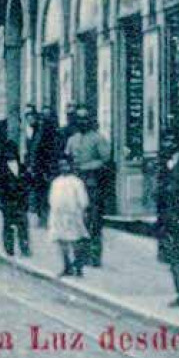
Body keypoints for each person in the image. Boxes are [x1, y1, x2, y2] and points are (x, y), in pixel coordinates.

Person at [65, 107, 112, 268]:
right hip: (75, 184)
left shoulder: (98, 139)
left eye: (85, 119)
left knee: (93, 220)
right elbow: (68, 158)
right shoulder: (72, 139)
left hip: (92, 183)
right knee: (77, 220)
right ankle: (80, 255)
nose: (82, 122)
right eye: (79, 119)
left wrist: (87, 167)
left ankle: (94, 255)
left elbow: (105, 160)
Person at [155, 131, 179, 304]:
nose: (168, 144)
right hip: (166, 216)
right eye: (165, 140)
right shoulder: (162, 163)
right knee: (172, 258)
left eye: (172, 140)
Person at [47, 157, 89, 277]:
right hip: (59, 215)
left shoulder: (76, 182)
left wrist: (81, 211)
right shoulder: (56, 182)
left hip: (73, 214)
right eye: (61, 165)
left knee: (75, 239)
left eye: (66, 165)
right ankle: (67, 266)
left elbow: (83, 200)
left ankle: (79, 267)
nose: (64, 168)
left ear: (70, 166)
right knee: (61, 241)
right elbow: (52, 199)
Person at [28, 107, 62, 229]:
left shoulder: (55, 134)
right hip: (39, 169)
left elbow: (53, 153)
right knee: (40, 194)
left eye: (47, 117)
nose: (44, 120)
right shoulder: (37, 132)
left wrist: (48, 169)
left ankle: (48, 219)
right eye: (42, 116)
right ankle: (42, 218)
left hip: (48, 169)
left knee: (48, 195)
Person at [0, 139, 31, 258]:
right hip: (8, 201)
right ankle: (9, 248)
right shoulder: (1, 169)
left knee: (23, 225)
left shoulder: (22, 167)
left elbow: (27, 184)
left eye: (12, 151)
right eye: (8, 151)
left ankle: (24, 247)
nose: (10, 154)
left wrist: (25, 198)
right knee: (8, 225)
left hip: (20, 201)